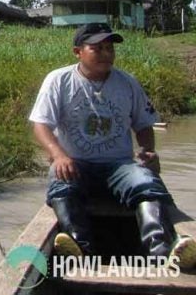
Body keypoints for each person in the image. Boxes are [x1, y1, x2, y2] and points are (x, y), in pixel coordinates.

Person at [29, 22, 196, 268]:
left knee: (147, 182)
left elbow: (143, 125)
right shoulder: (58, 80)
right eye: (97, 48)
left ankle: (160, 250)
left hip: (119, 166)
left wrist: (148, 151)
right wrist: (58, 154)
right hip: (76, 165)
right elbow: (40, 125)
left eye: (110, 48)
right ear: (78, 52)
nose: (106, 54)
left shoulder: (128, 83)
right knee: (60, 179)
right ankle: (79, 247)